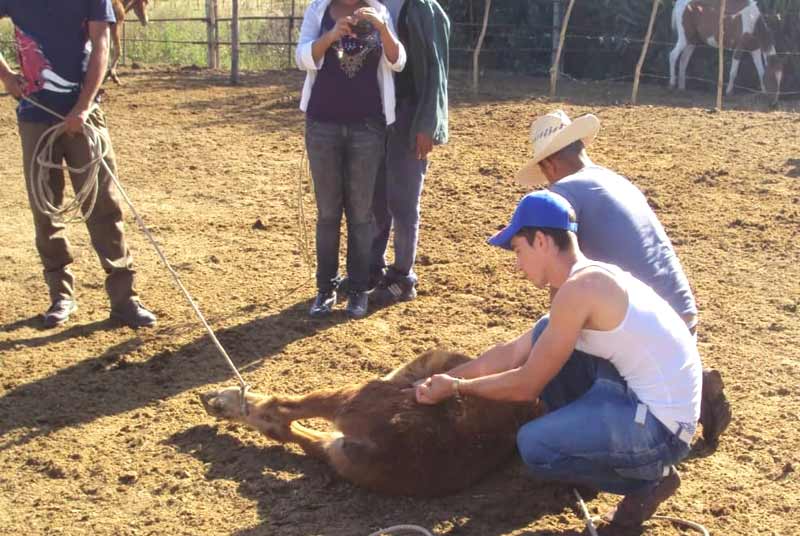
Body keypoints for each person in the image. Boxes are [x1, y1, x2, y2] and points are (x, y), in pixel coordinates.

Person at [416, 190, 702, 527]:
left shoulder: (580, 291)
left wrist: (457, 388)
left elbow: (526, 385)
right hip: (655, 405)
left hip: (663, 430)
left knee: (535, 446)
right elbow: (512, 352)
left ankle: (648, 480)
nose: (517, 264)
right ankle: (614, 452)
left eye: (518, 250)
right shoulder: (589, 278)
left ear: (541, 241)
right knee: (543, 337)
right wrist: (443, 380)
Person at [513, 109, 730, 446]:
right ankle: (694, 384)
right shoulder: (614, 180)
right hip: (679, 318)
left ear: (549, 165)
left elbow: (562, 286)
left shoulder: (563, 196)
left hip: (647, 326)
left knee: (565, 348)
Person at [0, 0, 156, 329]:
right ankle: (61, 296)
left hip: (84, 116)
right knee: (46, 208)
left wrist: (83, 107)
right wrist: (6, 76)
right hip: (34, 114)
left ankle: (124, 298)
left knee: (103, 203)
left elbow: (101, 42)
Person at [296, 0, 405, 319]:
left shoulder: (379, 12)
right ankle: (325, 289)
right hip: (322, 124)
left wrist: (383, 29)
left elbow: (398, 61)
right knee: (328, 212)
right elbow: (303, 58)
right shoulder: (319, 11)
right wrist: (329, 37)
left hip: (367, 127)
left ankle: (357, 290)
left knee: (361, 213)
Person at [367, 0, 450, 304]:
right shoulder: (371, 4)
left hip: (409, 114)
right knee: (374, 196)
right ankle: (371, 267)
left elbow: (436, 70)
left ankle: (403, 276)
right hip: (374, 115)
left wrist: (428, 123)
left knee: (403, 200)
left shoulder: (423, 9)